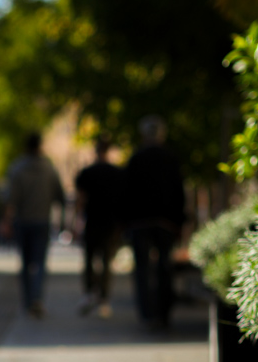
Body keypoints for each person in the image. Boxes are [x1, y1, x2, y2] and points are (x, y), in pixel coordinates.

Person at [125, 115, 187, 330]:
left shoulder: (136, 158)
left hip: (140, 223)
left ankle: (147, 315)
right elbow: (179, 192)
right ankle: (163, 313)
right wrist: (179, 222)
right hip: (165, 222)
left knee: (142, 270)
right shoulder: (170, 158)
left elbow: (126, 193)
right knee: (164, 268)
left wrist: (127, 223)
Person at [3, 132, 65, 317]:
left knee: (25, 263)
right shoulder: (49, 169)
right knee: (40, 262)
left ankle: (28, 300)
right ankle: (37, 298)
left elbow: (10, 200)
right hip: (42, 221)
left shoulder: (17, 169)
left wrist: (6, 222)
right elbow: (60, 196)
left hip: (23, 222)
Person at [72, 133, 127, 318]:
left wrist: (76, 220)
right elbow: (123, 200)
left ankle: (89, 293)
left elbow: (80, 199)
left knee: (89, 260)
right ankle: (103, 299)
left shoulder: (87, 172)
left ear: (96, 150)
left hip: (92, 222)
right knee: (106, 262)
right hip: (111, 224)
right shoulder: (117, 173)